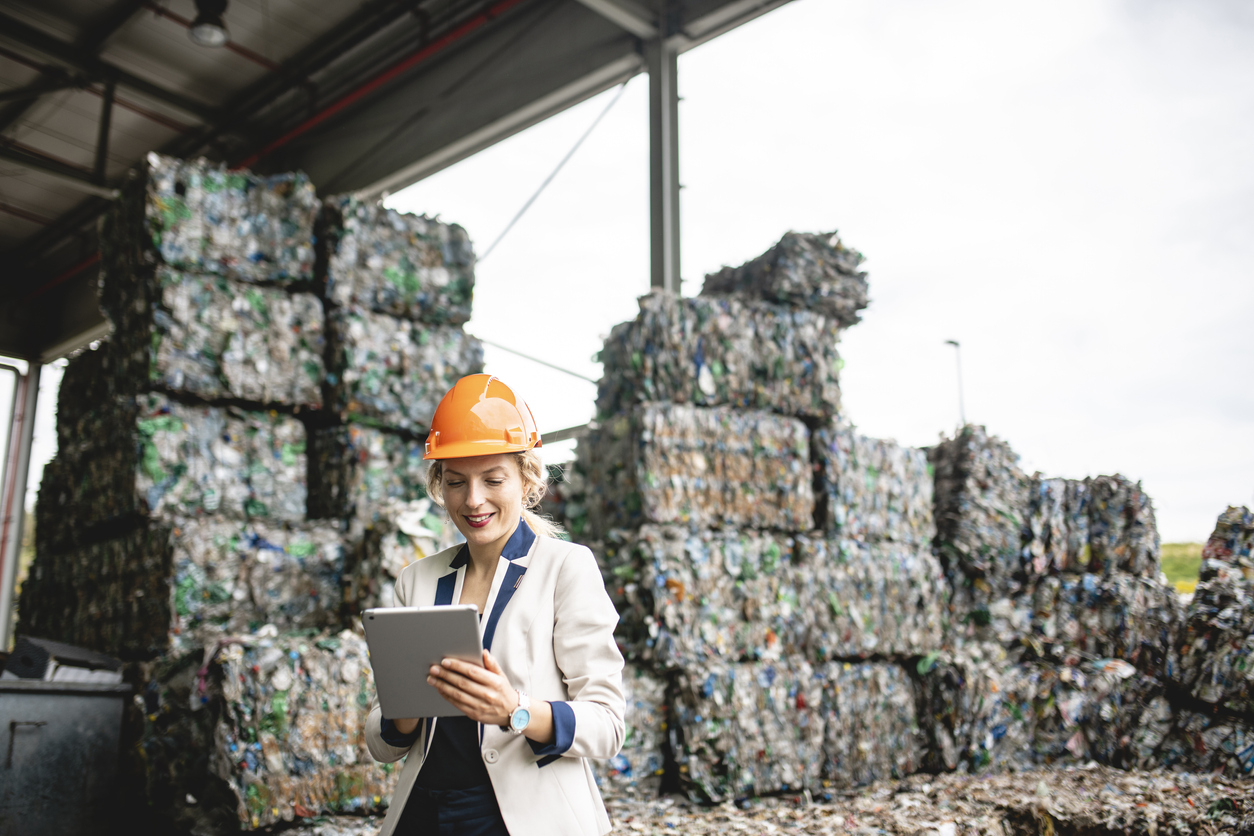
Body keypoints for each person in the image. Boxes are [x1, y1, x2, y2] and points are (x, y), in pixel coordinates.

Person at [365, 374, 626, 836]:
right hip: (424, 812)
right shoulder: (417, 580)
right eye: (456, 482)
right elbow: (382, 743)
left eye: (493, 479)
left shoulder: (566, 568)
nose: (473, 500)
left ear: (527, 479)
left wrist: (516, 709)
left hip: (521, 819)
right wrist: (402, 714)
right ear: (438, 485)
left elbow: (606, 725)